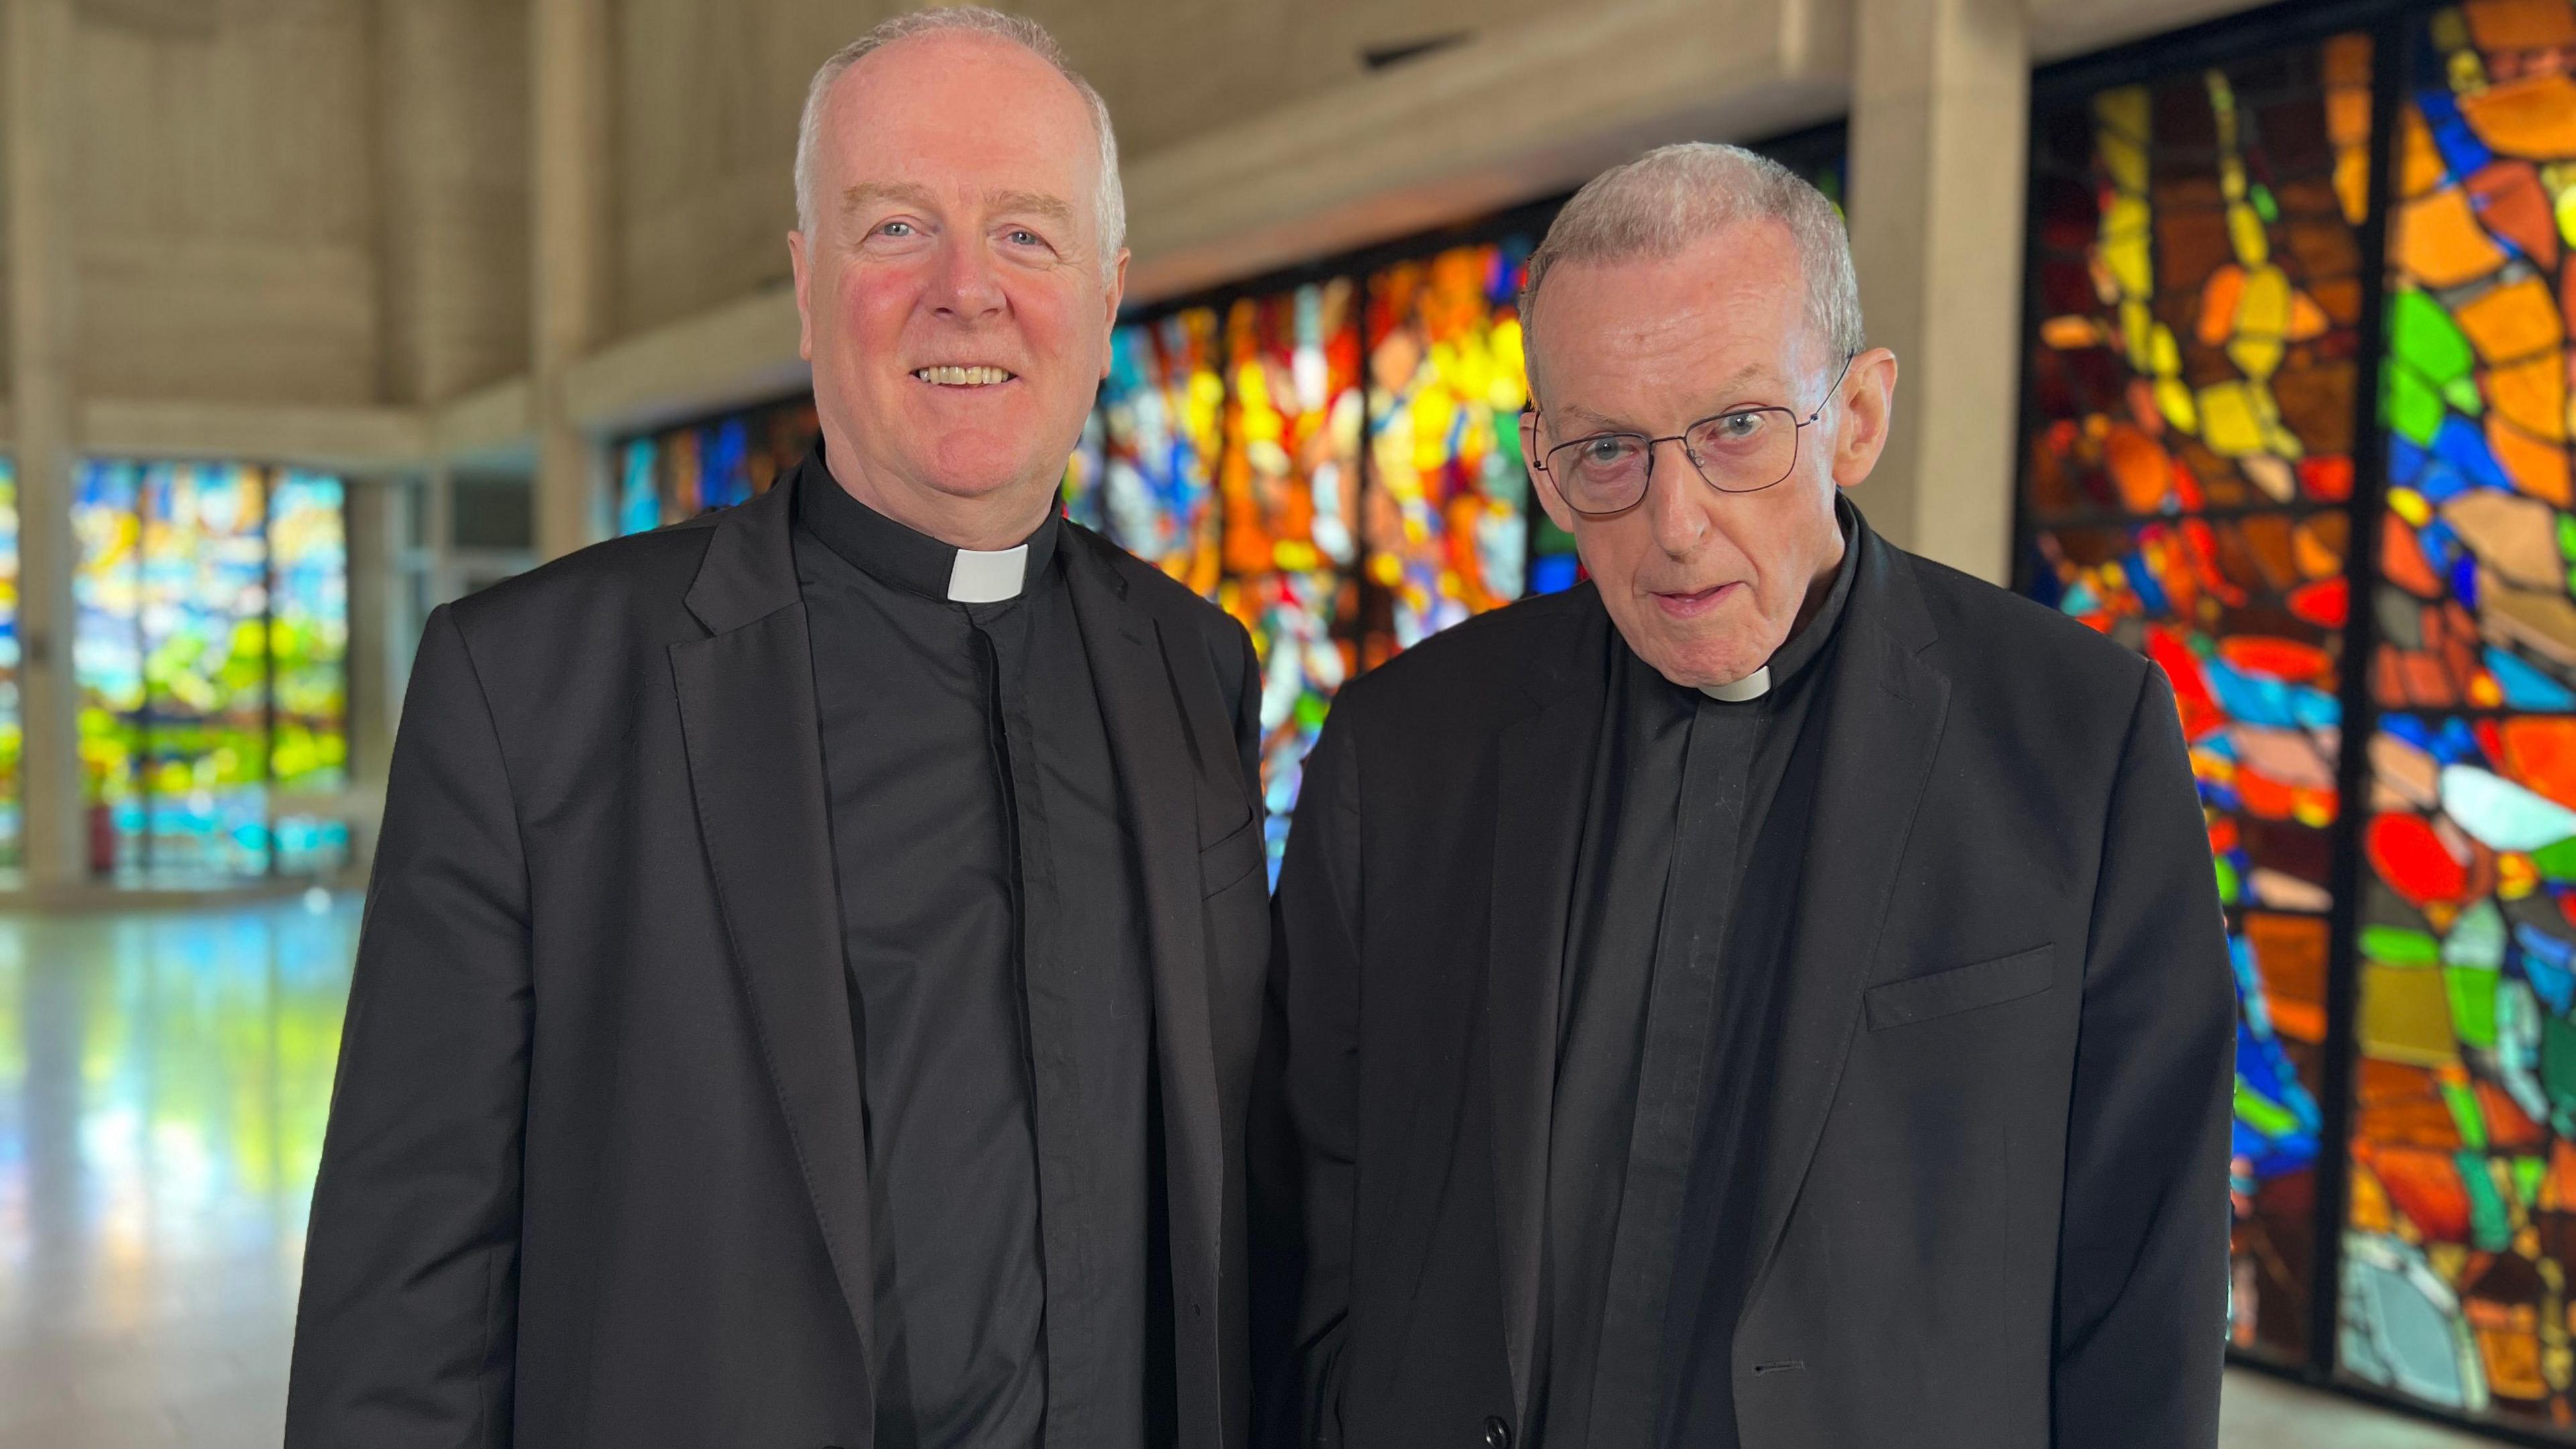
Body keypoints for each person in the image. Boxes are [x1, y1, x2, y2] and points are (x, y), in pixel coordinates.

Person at [287, 11, 1271, 1447]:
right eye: (895, 230)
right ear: (809, 287)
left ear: (1107, 300)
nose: (966, 293)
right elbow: (406, 1303)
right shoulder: (532, 689)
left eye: (1028, 237)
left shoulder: (1198, 667)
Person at [1252, 142, 2234, 1448]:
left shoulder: (2079, 739)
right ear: (1540, 459)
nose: (1674, 520)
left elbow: (2143, 1287)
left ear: (1859, 418)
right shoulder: (1403, 744)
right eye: (1604, 451)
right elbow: (1311, 1213)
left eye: (1735, 431)